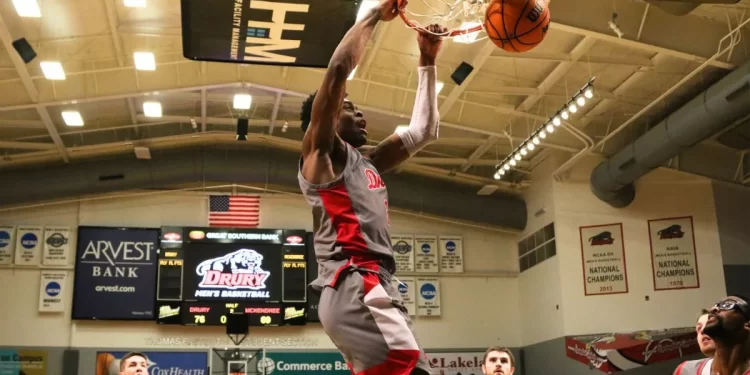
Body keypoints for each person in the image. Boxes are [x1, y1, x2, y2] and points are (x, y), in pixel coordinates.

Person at [297, 0, 447, 373]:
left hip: (373, 285)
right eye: (348, 106)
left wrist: (427, 61)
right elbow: (336, 72)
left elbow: (423, 131)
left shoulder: (367, 162)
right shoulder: (321, 153)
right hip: (354, 283)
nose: (359, 112)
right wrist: (372, 15)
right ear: (326, 118)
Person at [673, 295, 750, 375]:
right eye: (698, 328)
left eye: (727, 305)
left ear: (747, 325)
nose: (713, 309)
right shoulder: (685, 371)